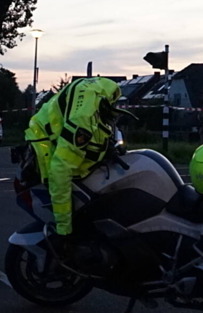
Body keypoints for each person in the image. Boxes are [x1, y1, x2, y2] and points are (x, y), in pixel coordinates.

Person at [25, 76, 128, 240]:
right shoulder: (83, 123)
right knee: (61, 181)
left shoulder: (100, 90)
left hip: (51, 127)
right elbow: (60, 171)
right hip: (44, 143)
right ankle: (68, 231)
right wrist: (64, 229)